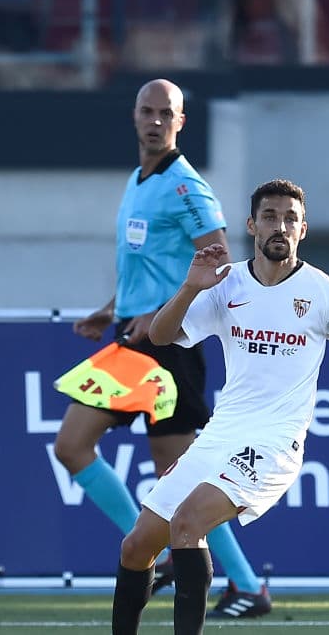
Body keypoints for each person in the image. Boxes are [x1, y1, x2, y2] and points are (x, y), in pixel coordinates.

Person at [111, 178, 329, 635]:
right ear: (252, 225)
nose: (279, 226)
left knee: (188, 523)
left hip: (275, 442)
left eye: (290, 219)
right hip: (222, 434)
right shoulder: (227, 283)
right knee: (135, 547)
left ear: (303, 231)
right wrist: (190, 288)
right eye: (269, 216)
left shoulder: (323, 291)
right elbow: (161, 337)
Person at [53, 78, 271, 618]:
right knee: (89, 451)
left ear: (180, 122)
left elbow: (217, 261)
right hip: (135, 337)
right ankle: (228, 578)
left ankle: (238, 583)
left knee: (168, 474)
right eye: (146, 111)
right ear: (134, 116)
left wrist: (154, 314)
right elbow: (150, 266)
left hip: (168, 347)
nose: (154, 121)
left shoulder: (185, 186)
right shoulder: (138, 178)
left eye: (165, 113)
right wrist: (114, 307)